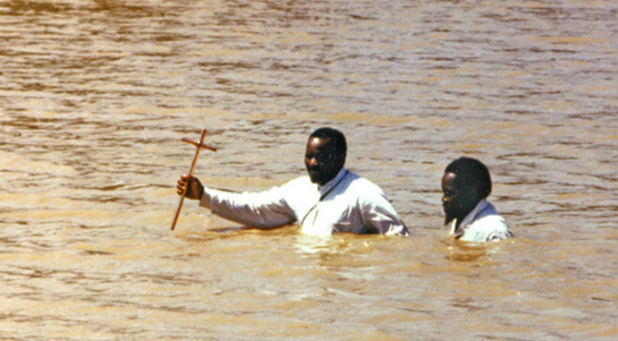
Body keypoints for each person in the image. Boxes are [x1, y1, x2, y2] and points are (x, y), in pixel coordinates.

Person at [177, 127, 409, 236]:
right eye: (309, 156)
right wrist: (204, 195)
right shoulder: (299, 189)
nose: (313, 163)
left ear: (340, 159)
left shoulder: (364, 193)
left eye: (321, 157)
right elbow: (256, 209)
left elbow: (398, 240)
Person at [441, 157, 513, 242]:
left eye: (450, 193)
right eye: (444, 193)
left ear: (471, 193)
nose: (444, 199)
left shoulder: (493, 231)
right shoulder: (461, 219)